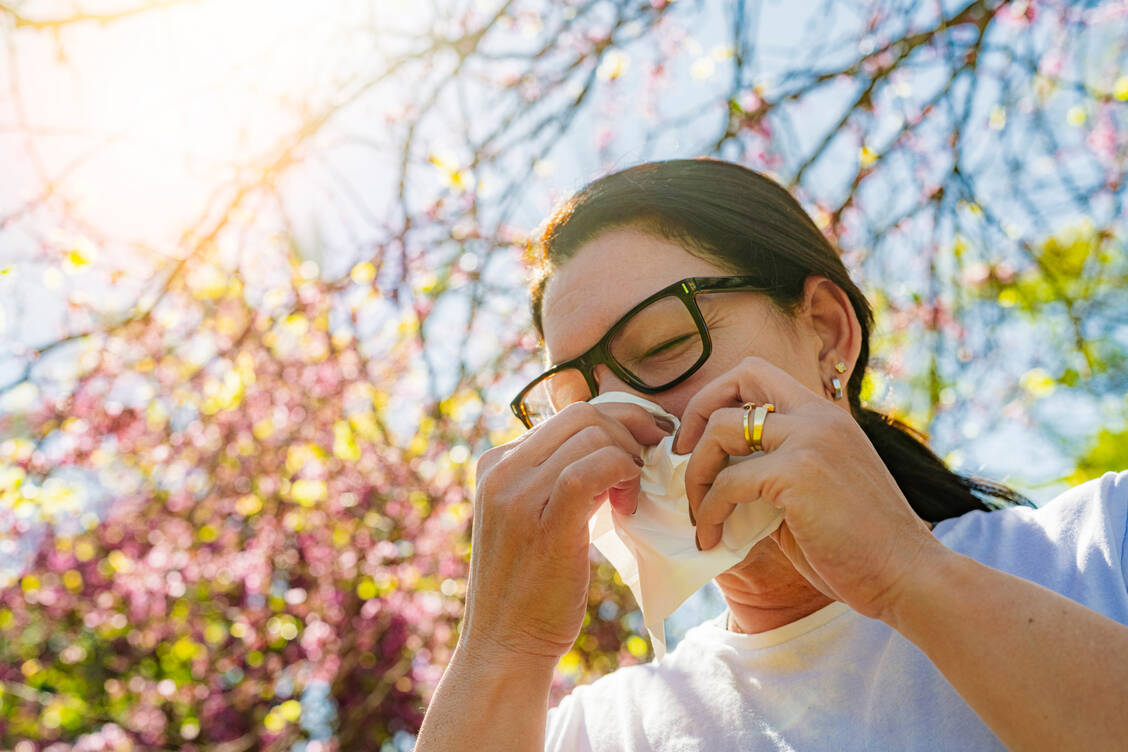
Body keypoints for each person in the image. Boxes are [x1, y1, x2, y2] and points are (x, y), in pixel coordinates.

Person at [416, 159, 1128, 751]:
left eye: (665, 345)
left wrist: (907, 574)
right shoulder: (599, 734)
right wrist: (501, 647)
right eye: (576, 408)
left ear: (825, 333)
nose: (624, 421)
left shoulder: (1103, 545)